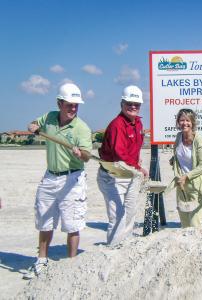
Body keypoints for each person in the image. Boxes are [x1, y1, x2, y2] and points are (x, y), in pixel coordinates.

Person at [24, 83, 92, 279]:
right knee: (44, 220)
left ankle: (71, 267)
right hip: (50, 176)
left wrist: (81, 154)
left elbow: (87, 156)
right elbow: (34, 123)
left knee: (72, 224)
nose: (73, 108)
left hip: (73, 178)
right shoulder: (50, 117)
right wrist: (33, 126)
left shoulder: (82, 128)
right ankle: (42, 261)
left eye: (76, 105)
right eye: (69, 104)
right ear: (59, 103)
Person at [97, 85, 148, 245]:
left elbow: (134, 148)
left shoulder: (138, 123)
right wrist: (139, 168)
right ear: (122, 104)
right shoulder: (117, 125)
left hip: (131, 174)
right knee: (118, 215)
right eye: (129, 103)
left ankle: (124, 246)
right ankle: (113, 248)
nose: (133, 107)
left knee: (130, 211)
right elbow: (120, 154)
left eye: (137, 104)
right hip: (112, 175)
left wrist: (136, 164)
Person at [171, 108, 202, 228]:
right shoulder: (178, 137)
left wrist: (187, 176)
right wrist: (174, 160)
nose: (185, 123)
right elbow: (178, 155)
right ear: (178, 122)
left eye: (188, 120)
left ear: (193, 122)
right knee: (185, 223)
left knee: (195, 223)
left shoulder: (199, 140)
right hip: (182, 186)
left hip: (197, 186)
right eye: (182, 120)